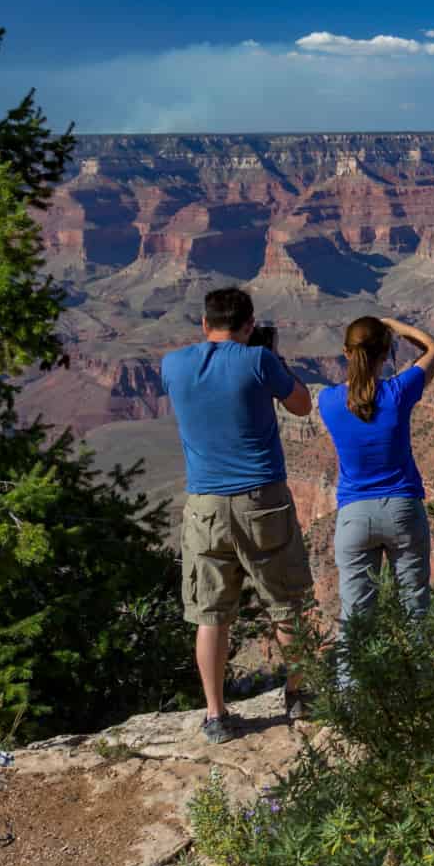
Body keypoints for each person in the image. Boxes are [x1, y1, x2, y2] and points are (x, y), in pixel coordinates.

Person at [161, 286, 314, 742]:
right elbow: (302, 405)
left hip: (204, 506)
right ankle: (300, 697)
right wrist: (272, 359)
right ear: (249, 326)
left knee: (212, 614)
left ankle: (215, 715)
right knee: (285, 604)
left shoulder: (173, 364)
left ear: (205, 324)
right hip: (262, 501)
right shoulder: (259, 361)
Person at [318, 315, 434, 681]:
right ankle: (421, 692)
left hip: (355, 517)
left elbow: (356, 397)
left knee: (355, 618)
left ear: (346, 353)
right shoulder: (398, 392)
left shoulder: (328, 401)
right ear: (387, 353)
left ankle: (351, 703)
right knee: (414, 608)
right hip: (403, 510)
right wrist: (398, 327)